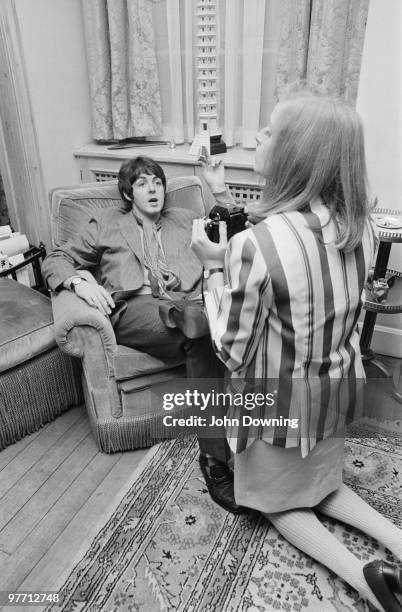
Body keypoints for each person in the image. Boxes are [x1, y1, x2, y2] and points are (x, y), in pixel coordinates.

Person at [191, 90, 402, 611]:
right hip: (337, 389)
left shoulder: (254, 246)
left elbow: (232, 351)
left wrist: (214, 268)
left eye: (267, 131)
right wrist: (214, 193)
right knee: (320, 483)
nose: (258, 137)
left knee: (272, 500)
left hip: (278, 404)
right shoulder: (362, 229)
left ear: (294, 154)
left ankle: (364, 580)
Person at [42, 156, 220, 379]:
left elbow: (230, 237)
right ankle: (192, 317)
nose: (153, 190)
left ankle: (193, 319)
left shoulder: (184, 219)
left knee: (199, 335)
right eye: (142, 184)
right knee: (199, 325)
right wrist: (79, 284)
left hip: (181, 298)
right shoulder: (107, 223)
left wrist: (219, 189)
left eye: (157, 183)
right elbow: (55, 258)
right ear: (128, 194)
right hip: (134, 307)